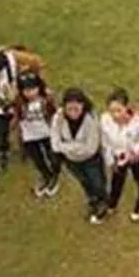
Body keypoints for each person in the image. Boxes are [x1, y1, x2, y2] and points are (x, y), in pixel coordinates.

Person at [49, 87, 111, 223]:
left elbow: (90, 148)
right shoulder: (58, 117)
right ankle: (92, 200)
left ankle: (103, 203)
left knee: (98, 183)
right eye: (69, 109)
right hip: (71, 160)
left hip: (91, 160)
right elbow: (54, 143)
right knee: (84, 181)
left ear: (83, 106)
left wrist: (66, 146)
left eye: (76, 109)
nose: (72, 113)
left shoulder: (91, 119)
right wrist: (76, 146)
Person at [102, 87, 139, 222]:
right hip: (118, 158)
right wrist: (110, 160)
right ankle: (112, 204)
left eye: (119, 110)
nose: (115, 115)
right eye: (111, 111)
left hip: (137, 158)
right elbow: (106, 142)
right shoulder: (105, 121)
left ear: (127, 107)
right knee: (117, 180)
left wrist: (132, 153)